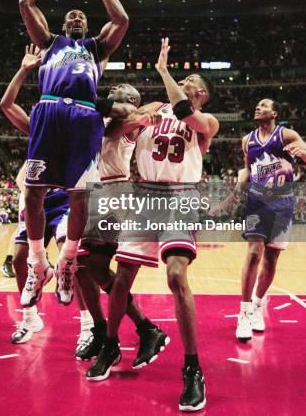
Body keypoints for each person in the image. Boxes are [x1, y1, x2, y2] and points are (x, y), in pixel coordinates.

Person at [86, 38, 219, 413]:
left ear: (204, 96)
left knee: (176, 276)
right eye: (187, 78)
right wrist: (134, 118)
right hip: (143, 195)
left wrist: (162, 70)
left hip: (180, 196)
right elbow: (109, 134)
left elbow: (183, 109)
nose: (191, 82)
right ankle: (111, 346)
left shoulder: (207, 121)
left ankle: (192, 369)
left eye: (198, 84)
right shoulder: (152, 107)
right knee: (122, 275)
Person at [18, 0, 129, 307]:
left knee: (79, 197)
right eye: (72, 15)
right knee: (33, 193)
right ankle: (39, 263)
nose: (78, 17)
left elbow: (122, 19)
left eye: (82, 15)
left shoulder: (97, 48)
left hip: (84, 117)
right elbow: (25, 5)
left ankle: (66, 261)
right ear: (64, 25)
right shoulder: (49, 43)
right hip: (49, 113)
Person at [0, 44, 92, 345]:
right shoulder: (40, 125)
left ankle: (87, 325)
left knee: (73, 257)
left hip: (64, 203)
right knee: (19, 259)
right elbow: (6, 105)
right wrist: (25, 69)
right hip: (38, 200)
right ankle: (30, 318)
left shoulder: (80, 126)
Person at [75, 84, 169, 367]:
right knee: (86, 268)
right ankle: (138, 328)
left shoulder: (127, 118)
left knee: (89, 266)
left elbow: (112, 129)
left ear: (131, 99)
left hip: (114, 192)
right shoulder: (106, 115)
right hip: (93, 191)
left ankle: (127, 332)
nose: (115, 86)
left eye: (122, 88)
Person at [233, 99, 306, 341]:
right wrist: (239, 186)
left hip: (282, 204)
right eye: (256, 105)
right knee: (253, 254)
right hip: (257, 203)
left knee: (271, 260)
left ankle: (259, 304)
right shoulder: (247, 140)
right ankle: (244, 312)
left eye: (263, 105)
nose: (257, 108)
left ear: (275, 112)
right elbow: (248, 169)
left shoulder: (287, 135)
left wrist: (305, 153)